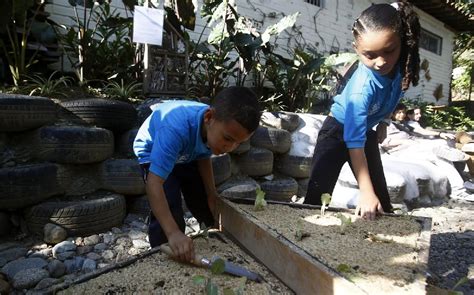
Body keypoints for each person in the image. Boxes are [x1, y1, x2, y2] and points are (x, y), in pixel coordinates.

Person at [305, 2, 420, 220]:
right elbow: (354, 144)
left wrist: (384, 123)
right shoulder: (361, 90)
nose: (381, 62)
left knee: (381, 200)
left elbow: (393, 96)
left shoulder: (399, 70)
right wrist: (365, 193)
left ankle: (384, 243)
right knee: (317, 197)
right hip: (336, 133)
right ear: (356, 49)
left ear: (402, 43)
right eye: (370, 55)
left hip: (365, 130)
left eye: (389, 50)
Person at [133, 86, 261, 262]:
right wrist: (174, 232)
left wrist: (211, 193)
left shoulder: (211, 128)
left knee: (205, 200)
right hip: (154, 149)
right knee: (170, 208)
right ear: (208, 118)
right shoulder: (175, 129)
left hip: (187, 152)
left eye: (238, 143)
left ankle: (212, 236)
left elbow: (203, 156)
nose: (230, 148)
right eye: (228, 139)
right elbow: (154, 184)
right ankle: (160, 255)